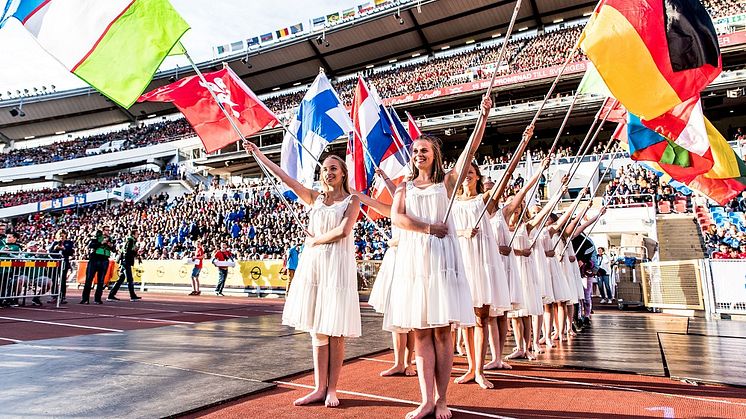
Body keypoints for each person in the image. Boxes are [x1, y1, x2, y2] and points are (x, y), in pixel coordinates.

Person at [389, 95, 491, 419]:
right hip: (416, 261)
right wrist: (428, 227)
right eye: (415, 150)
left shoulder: (447, 182)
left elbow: (470, 151)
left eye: (424, 150)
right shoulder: (404, 186)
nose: (419, 154)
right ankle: (426, 399)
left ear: (434, 156)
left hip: (443, 262)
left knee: (443, 332)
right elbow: (398, 219)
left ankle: (443, 398)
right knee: (420, 332)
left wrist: (483, 117)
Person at [244, 141, 361, 409]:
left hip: (336, 267)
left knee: (335, 330)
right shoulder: (314, 197)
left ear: (343, 172)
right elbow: (285, 177)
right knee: (317, 329)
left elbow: (344, 231)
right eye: (325, 169)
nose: (328, 172)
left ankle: (332, 389)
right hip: (315, 268)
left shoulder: (351, 200)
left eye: (333, 168)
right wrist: (260, 154)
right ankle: (318, 387)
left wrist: (316, 241)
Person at [452, 161, 512, 389]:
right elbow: (447, 229)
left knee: (481, 318)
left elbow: (505, 180)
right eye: (464, 173)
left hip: (482, 260)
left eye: (470, 172)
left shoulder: (484, 199)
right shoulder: (452, 201)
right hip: (462, 260)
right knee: (467, 320)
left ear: (477, 176)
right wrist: (463, 232)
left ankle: (479, 370)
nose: (466, 176)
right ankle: (469, 368)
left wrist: (524, 143)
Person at [359, 169, 417, 378]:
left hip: (412, 260)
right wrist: (356, 191)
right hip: (395, 261)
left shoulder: (419, 208)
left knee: (410, 315)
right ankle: (398, 362)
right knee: (396, 314)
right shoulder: (396, 207)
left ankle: (409, 362)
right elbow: (377, 203)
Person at [81, 226, 114, 305]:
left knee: (101, 281)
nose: (108, 232)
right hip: (95, 259)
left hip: (105, 260)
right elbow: (91, 245)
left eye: (109, 230)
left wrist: (111, 246)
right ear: (103, 231)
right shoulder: (97, 237)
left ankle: (97, 299)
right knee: (89, 279)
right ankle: (85, 299)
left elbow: (114, 249)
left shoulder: (111, 239)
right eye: (106, 230)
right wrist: (101, 243)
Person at [107, 228, 142, 302]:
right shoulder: (130, 240)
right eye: (137, 234)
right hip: (126, 262)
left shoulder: (131, 240)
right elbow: (127, 251)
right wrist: (134, 252)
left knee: (121, 279)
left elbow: (128, 251)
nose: (138, 235)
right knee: (130, 279)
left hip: (124, 261)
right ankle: (132, 296)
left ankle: (111, 295)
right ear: (133, 234)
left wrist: (136, 254)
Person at [48, 230, 74, 305]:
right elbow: (50, 253)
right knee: (54, 279)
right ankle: (54, 296)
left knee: (62, 280)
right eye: (60, 235)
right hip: (55, 263)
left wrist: (64, 249)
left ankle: (62, 296)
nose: (61, 237)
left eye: (63, 235)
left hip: (64, 263)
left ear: (65, 235)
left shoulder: (69, 243)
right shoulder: (55, 243)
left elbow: (71, 252)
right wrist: (55, 249)